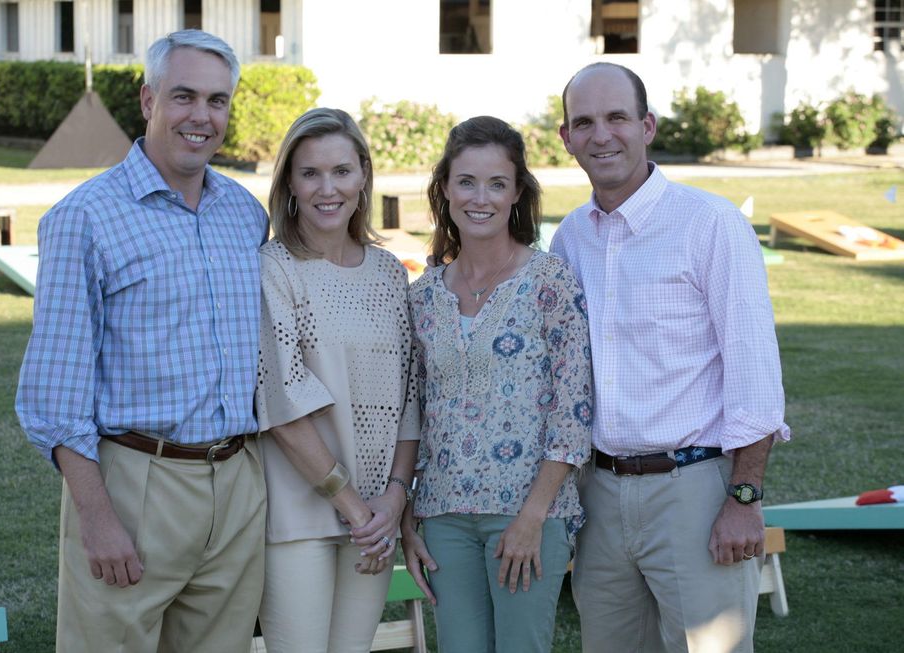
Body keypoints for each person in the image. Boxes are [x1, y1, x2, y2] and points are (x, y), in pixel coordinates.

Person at [16, 30, 269, 652]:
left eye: (217, 101)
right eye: (184, 96)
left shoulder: (245, 213)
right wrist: (97, 519)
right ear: (148, 99)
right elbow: (53, 395)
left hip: (237, 481)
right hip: (135, 481)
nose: (201, 117)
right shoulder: (85, 217)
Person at [551, 62, 791, 653]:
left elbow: (754, 374)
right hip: (598, 494)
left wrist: (744, 499)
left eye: (616, 118)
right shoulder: (569, 238)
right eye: (584, 122)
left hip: (694, 490)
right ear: (566, 138)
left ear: (648, 125)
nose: (601, 135)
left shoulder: (710, 225)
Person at [401, 116, 593, 653]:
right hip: (442, 518)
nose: (479, 197)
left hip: (528, 513)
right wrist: (409, 520)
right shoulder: (422, 297)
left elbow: (573, 412)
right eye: (466, 181)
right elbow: (413, 413)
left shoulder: (550, 282)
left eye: (496, 183)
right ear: (445, 188)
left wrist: (533, 517)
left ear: (516, 194)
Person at [253, 107, 420, 653]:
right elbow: (281, 401)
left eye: (342, 171)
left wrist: (392, 502)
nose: (329, 188)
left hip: (374, 514)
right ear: (290, 184)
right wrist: (353, 505)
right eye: (311, 173)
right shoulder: (274, 267)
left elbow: (409, 398)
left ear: (364, 175)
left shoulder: (390, 272)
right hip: (300, 513)